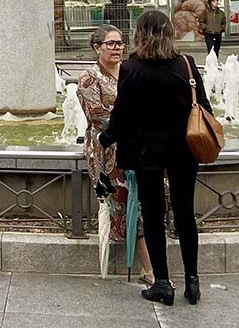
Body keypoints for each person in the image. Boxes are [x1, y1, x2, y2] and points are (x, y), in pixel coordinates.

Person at [101, 10, 211, 307]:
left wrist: (107, 137)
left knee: (153, 216)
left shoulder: (132, 68)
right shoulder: (185, 64)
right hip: (184, 151)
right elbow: (204, 107)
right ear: (169, 32)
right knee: (185, 214)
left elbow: (121, 114)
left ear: (140, 34)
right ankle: (192, 281)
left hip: (146, 152)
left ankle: (162, 282)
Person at [77, 24, 153, 285]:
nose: (118, 48)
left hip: (138, 148)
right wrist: (138, 125)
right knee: (129, 203)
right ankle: (149, 268)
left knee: (146, 201)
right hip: (108, 152)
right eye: (111, 44)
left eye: (120, 43)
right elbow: (98, 117)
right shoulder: (90, 78)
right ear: (97, 48)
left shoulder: (131, 71)